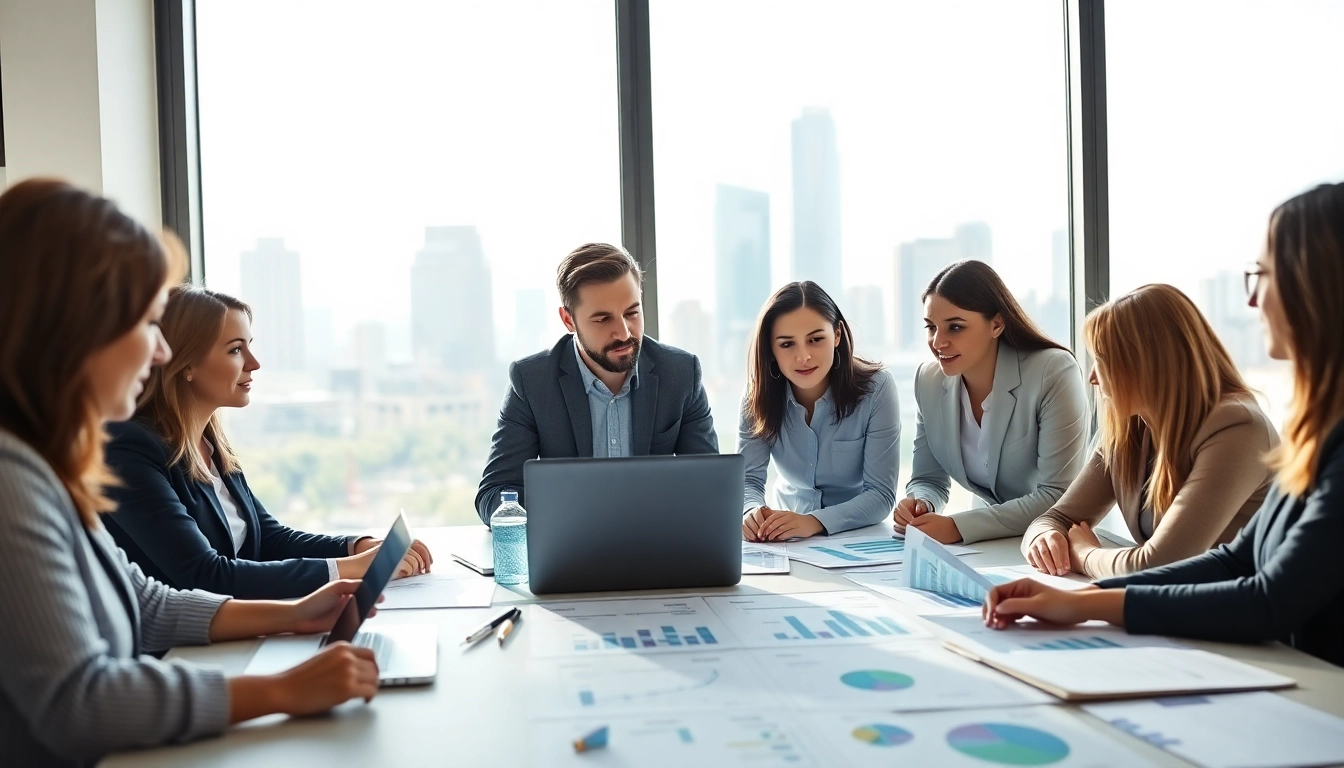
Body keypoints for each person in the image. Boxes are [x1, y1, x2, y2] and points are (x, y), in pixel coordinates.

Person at [0, 179, 382, 765]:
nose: (159, 352)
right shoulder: (11, 481)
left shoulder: (47, 465)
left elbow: (146, 603)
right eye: (146, 323)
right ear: (74, 329)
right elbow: (78, 703)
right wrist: (280, 691)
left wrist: (296, 612)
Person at [985, 182, 1344, 668]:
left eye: (1262, 276)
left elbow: (1266, 599)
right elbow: (1238, 559)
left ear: (1316, 286)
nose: (1252, 301)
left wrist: (1086, 561)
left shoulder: (1241, 427)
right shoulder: (1317, 430)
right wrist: (1080, 600)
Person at [102, 286, 432, 600]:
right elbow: (205, 575)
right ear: (186, 363)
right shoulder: (129, 450)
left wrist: (357, 547)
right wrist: (354, 568)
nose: (254, 363)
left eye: (248, 345)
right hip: (178, 638)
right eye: (235, 350)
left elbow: (268, 538)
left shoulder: (210, 443)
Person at [1021, 284, 1279, 579]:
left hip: (1248, 603)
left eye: (1102, 361)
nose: (1092, 377)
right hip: (1181, 601)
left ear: (1147, 363)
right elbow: (1056, 517)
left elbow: (1160, 564)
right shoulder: (1133, 426)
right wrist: (1044, 539)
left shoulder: (1239, 429)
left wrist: (1084, 554)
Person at [475, 243, 718, 524]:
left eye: (632, 313)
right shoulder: (531, 382)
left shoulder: (681, 374)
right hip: (570, 542)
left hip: (658, 541)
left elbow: (711, 487)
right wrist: (570, 515)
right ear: (568, 320)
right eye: (603, 319)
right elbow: (494, 495)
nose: (624, 333)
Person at [895, 260, 1090, 544]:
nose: (937, 342)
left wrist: (957, 527)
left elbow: (1057, 495)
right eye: (931, 327)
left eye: (955, 327)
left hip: (1052, 541)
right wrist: (921, 503)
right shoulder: (928, 381)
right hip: (988, 544)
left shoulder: (1053, 371)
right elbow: (929, 478)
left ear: (996, 324)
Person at [740, 282, 899, 541]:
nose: (803, 356)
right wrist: (751, 511)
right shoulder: (757, 395)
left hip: (855, 535)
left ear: (837, 335)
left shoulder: (877, 389)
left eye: (815, 340)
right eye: (787, 344)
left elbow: (881, 494)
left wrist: (813, 522)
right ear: (771, 348)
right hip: (783, 539)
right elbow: (748, 480)